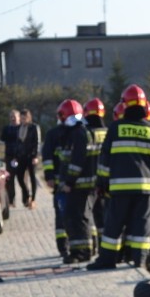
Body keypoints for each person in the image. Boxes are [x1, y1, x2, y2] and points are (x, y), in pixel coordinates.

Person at [87, 84, 150, 270]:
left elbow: (105, 159)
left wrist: (101, 184)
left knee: (114, 224)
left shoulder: (115, 128)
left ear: (124, 105)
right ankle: (140, 261)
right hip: (146, 188)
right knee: (142, 225)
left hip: (120, 187)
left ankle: (107, 260)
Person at [55, 99, 96, 263]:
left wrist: (69, 182)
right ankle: (79, 251)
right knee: (76, 218)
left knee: (77, 218)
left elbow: (77, 162)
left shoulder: (78, 134)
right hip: (79, 184)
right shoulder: (78, 132)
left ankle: (82, 253)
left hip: (79, 185)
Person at [41, 111, 70, 260]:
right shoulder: (53, 134)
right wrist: (50, 177)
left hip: (71, 184)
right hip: (61, 184)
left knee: (70, 215)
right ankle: (63, 247)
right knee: (61, 216)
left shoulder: (78, 132)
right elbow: (47, 157)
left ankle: (73, 246)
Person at [83, 98, 108, 251]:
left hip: (90, 181)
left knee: (91, 215)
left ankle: (93, 246)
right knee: (105, 215)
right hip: (108, 182)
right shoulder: (109, 132)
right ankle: (105, 246)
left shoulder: (87, 133)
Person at [0, 109, 25, 207]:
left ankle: (26, 198)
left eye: (15, 116)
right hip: (10, 157)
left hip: (21, 158)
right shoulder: (6, 129)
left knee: (22, 179)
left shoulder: (23, 128)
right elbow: (1, 142)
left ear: (19, 118)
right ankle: (11, 200)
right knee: (10, 180)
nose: (13, 118)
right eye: (11, 117)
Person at [19, 109, 41, 209]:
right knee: (19, 177)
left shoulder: (34, 127)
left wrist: (36, 156)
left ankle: (33, 200)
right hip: (22, 156)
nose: (22, 120)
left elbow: (37, 142)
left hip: (31, 156)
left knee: (32, 178)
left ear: (28, 118)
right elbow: (18, 142)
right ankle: (27, 194)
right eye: (21, 118)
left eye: (24, 118)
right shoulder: (20, 128)